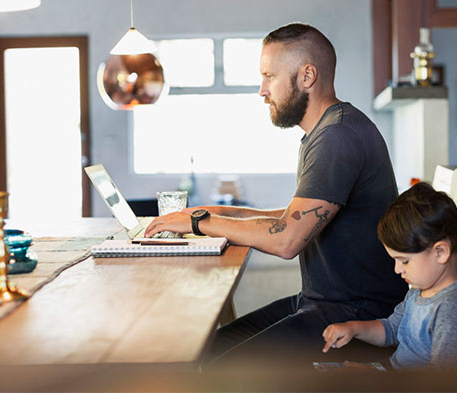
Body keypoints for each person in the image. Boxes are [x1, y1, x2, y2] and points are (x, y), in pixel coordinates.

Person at [145, 23, 407, 366]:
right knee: (206, 351)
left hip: (356, 317)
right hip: (323, 303)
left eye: (270, 76)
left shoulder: (337, 137)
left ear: (307, 76)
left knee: (217, 370)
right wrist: (214, 212)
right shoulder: (326, 131)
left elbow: (287, 239)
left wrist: (201, 223)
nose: (262, 90)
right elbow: (293, 217)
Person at [322, 182, 457, 370]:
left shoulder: (452, 308)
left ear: (440, 252)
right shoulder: (418, 291)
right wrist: (353, 328)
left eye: (404, 261)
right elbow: (392, 330)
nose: (397, 269)